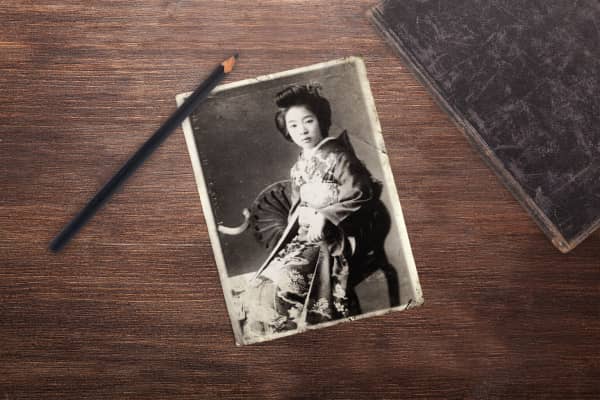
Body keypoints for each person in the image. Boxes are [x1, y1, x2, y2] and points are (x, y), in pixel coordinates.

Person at [241, 83, 381, 340]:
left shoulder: (339, 156)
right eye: (293, 125)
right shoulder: (298, 167)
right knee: (259, 283)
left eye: (308, 121)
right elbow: (297, 207)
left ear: (321, 120)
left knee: (285, 283)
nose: (302, 130)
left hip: (333, 238)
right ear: (286, 130)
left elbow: (360, 192)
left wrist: (324, 216)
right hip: (305, 237)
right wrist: (302, 218)